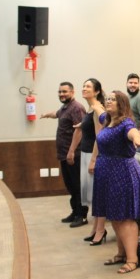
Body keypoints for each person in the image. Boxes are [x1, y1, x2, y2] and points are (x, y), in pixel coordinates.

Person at [93, 91, 140, 274]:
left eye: (113, 99)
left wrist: (138, 139)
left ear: (121, 104)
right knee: (115, 216)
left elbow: (132, 133)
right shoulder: (107, 120)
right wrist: (93, 101)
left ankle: (132, 259)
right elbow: (99, 110)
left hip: (123, 174)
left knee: (125, 218)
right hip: (108, 174)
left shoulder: (126, 123)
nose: (108, 101)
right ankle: (121, 253)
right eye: (107, 99)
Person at [40, 82, 87, 227]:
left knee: (78, 186)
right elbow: (57, 114)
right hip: (64, 155)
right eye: (60, 92)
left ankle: (81, 215)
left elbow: (79, 130)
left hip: (74, 155)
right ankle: (75, 212)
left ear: (72, 92)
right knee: (70, 185)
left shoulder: (77, 108)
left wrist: (71, 151)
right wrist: (46, 115)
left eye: (65, 92)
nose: (62, 94)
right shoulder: (65, 108)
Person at [70, 78, 106, 244]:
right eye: (83, 86)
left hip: (94, 155)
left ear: (96, 91)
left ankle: (100, 230)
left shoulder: (98, 109)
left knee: (97, 196)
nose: (84, 88)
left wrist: (93, 160)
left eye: (88, 86)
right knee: (92, 196)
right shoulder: (90, 109)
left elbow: (100, 137)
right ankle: (95, 229)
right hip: (85, 153)